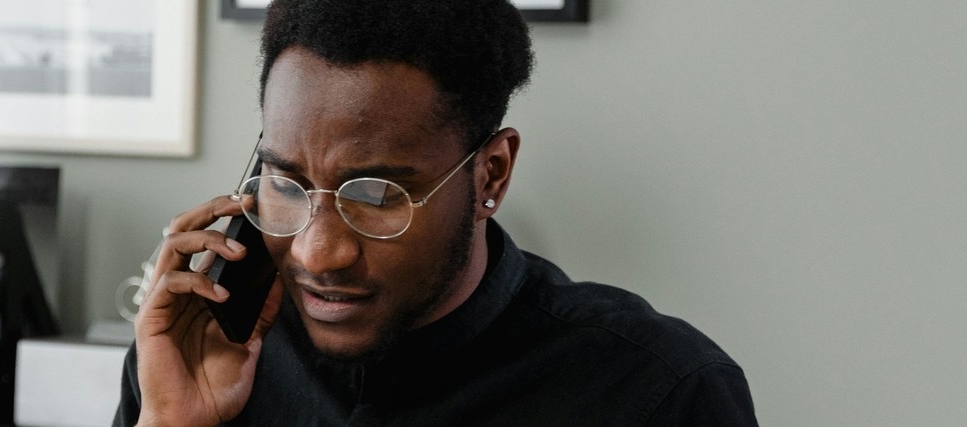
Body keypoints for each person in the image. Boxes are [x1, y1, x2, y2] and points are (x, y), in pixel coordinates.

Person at [114, 0, 757, 425]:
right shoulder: (200, 351)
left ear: (491, 174)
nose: (316, 252)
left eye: (375, 195)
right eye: (288, 184)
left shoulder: (659, 392)